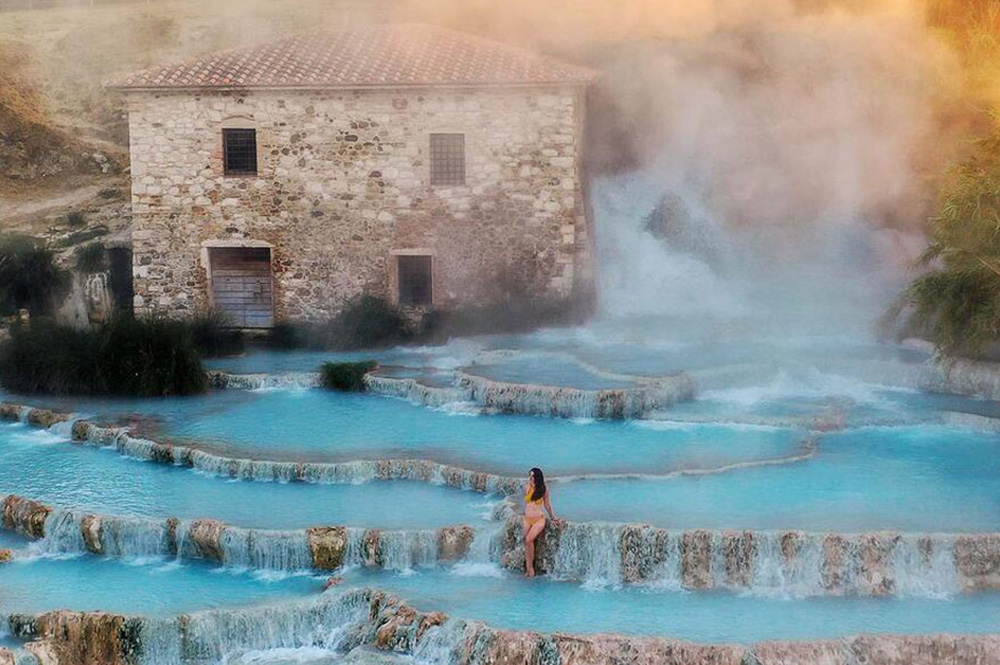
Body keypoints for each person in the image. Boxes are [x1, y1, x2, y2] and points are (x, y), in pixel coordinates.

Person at [523, 467, 555, 577]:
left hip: (539, 520)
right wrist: (530, 486)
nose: (531, 478)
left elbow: (547, 505)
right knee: (526, 542)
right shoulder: (527, 487)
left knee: (529, 539)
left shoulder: (543, 489)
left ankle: (531, 569)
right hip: (527, 519)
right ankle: (527, 568)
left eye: (533, 476)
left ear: (538, 477)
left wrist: (552, 517)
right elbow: (527, 503)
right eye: (530, 476)